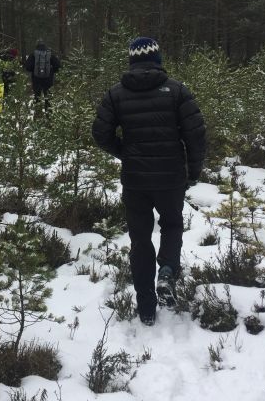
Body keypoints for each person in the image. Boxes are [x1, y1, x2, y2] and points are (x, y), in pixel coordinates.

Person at [91, 37, 206, 326]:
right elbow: (196, 134)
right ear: (157, 60)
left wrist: (126, 153)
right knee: (172, 224)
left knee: (140, 239)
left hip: (135, 180)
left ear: (132, 61)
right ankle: (167, 270)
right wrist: (193, 170)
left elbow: (100, 134)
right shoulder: (178, 90)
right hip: (171, 177)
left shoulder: (116, 94)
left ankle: (145, 308)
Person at [24, 40, 60, 109]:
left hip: (36, 80)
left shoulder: (33, 55)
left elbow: (28, 67)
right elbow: (58, 65)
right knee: (48, 98)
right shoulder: (50, 54)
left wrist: (34, 70)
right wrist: (52, 71)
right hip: (48, 80)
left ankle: (38, 114)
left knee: (37, 97)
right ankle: (48, 115)